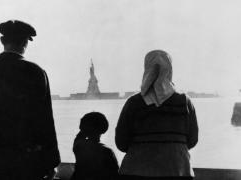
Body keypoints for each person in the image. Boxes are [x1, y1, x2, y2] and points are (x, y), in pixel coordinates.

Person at [0, 20, 60, 180]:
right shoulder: (35, 72)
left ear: (2, 41)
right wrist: (50, 162)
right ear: (25, 42)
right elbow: (44, 121)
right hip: (26, 163)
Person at [115, 50, 198, 180]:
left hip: (135, 171)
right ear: (170, 70)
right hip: (178, 171)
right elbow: (192, 140)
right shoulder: (184, 102)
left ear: (146, 68)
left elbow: (121, 142)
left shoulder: (133, 103)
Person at [71, 112, 119, 180]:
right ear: (104, 129)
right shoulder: (107, 152)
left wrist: (84, 129)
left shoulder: (79, 146)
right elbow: (114, 174)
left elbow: (79, 137)